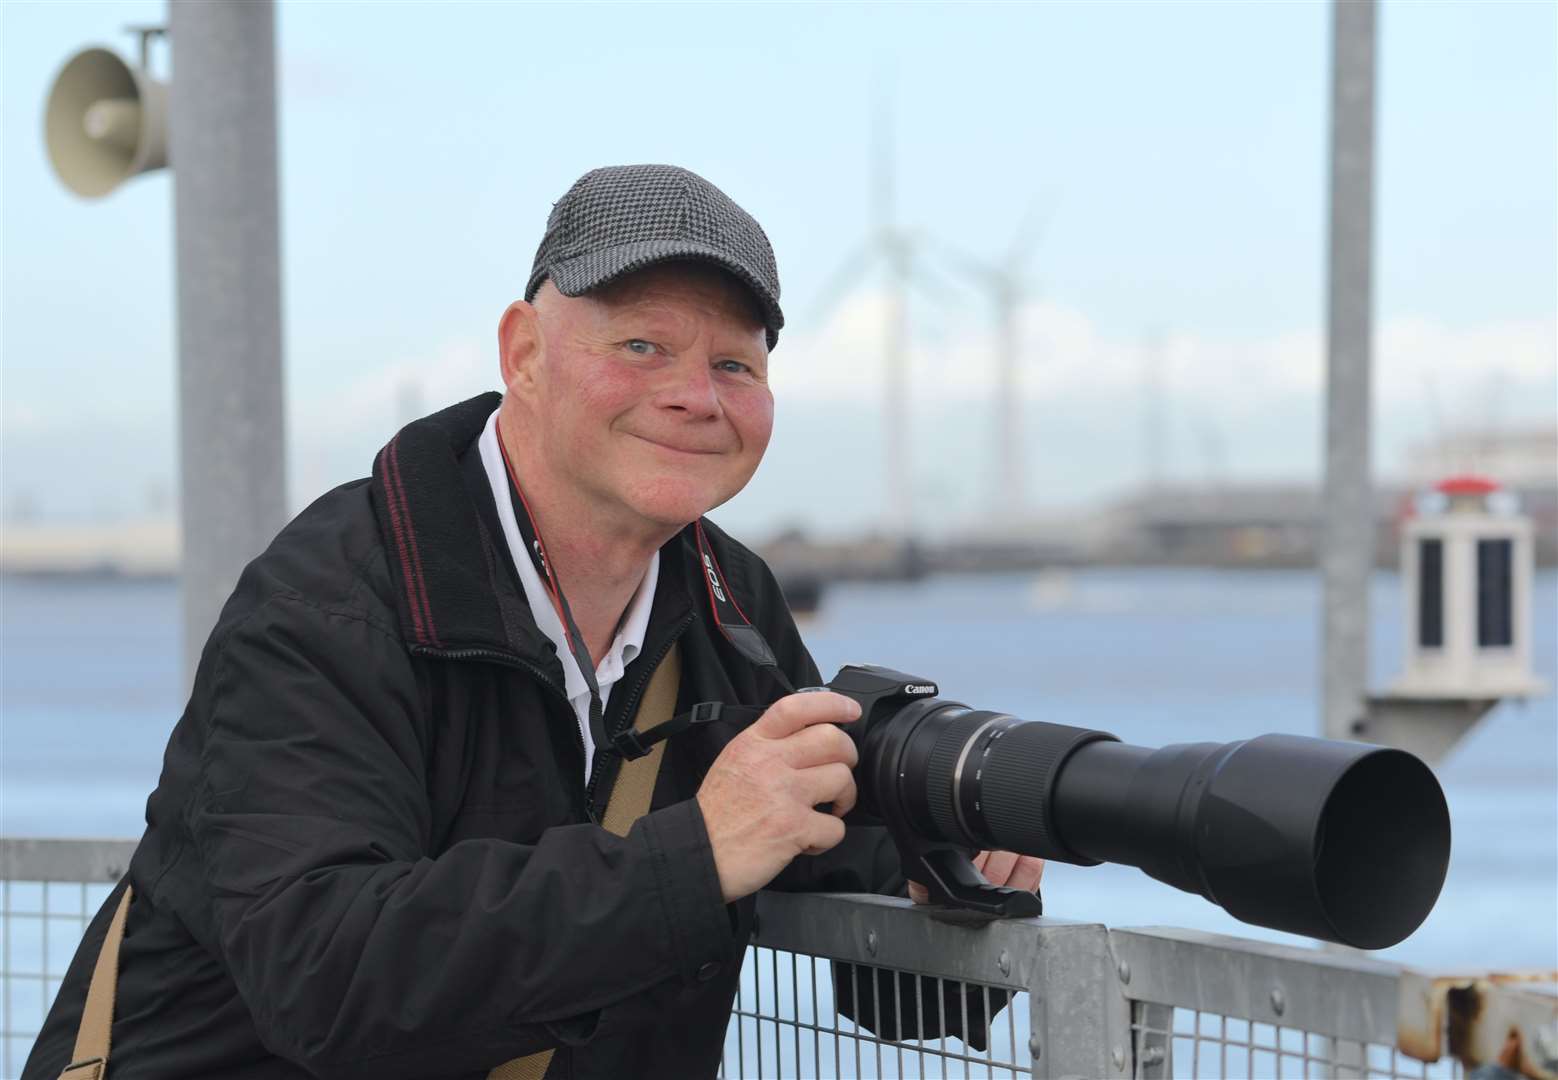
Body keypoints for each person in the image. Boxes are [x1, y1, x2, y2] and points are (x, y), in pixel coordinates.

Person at [25, 164, 1043, 1080]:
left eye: (735, 366)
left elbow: (859, 936)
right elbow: (327, 979)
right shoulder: (329, 600)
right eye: (642, 345)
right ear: (525, 353)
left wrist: (957, 878)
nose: (695, 396)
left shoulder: (730, 608)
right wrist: (693, 858)